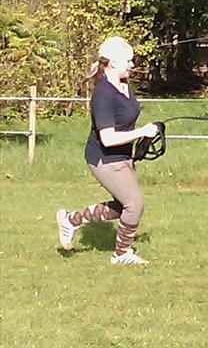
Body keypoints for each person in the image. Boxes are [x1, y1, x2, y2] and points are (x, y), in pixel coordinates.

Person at [56, 36, 158, 265]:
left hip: (122, 156)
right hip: (103, 158)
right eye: (128, 61)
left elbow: (125, 120)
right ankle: (121, 254)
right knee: (134, 205)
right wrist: (141, 132)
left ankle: (71, 220)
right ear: (112, 62)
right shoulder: (103, 95)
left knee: (123, 206)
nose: (132, 65)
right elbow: (108, 138)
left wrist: (138, 143)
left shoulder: (123, 85)